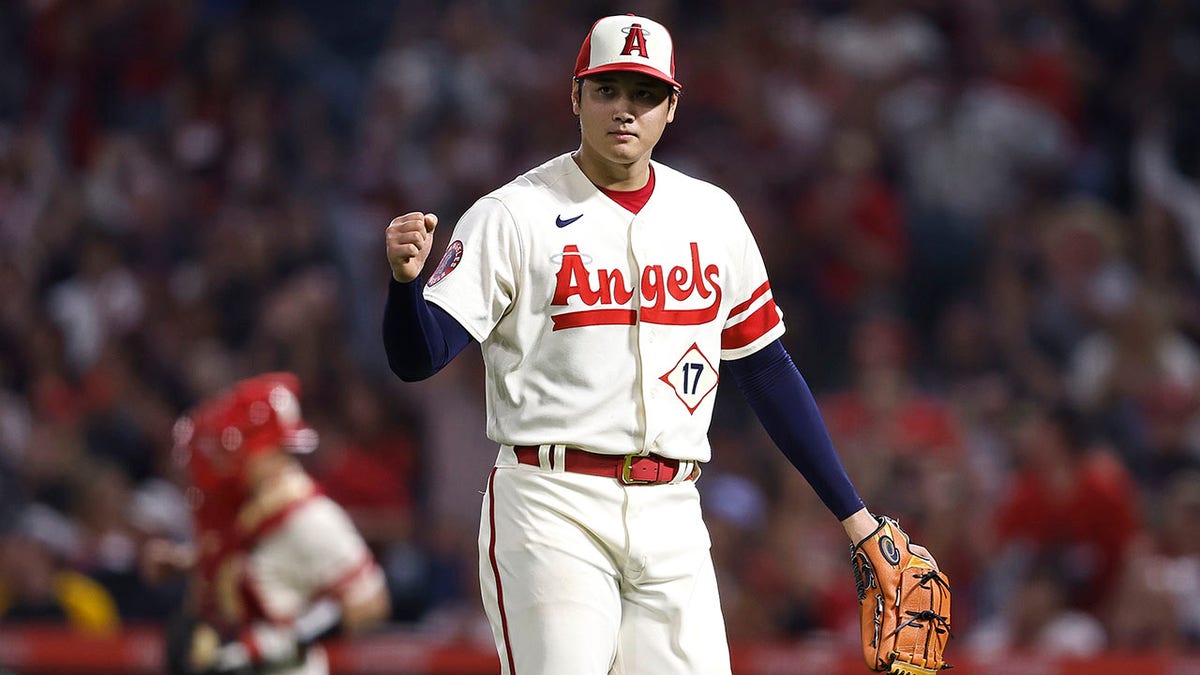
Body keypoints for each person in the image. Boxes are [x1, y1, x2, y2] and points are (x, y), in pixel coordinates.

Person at [383, 14, 941, 674]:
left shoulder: (711, 215)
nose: (626, 109)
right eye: (608, 90)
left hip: (672, 508)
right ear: (576, 97)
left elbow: (766, 368)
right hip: (551, 503)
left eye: (645, 94)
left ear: (671, 106)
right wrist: (404, 288)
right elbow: (418, 357)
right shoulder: (512, 214)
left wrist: (855, 516)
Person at [140, 372, 391, 675]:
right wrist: (182, 562)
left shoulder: (311, 516)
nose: (227, 456)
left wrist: (290, 638)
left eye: (239, 443)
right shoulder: (249, 506)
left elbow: (371, 601)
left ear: (271, 449)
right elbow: (254, 560)